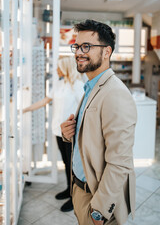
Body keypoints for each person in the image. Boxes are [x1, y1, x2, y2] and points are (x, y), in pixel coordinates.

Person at [60, 20, 137, 225]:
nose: (78, 52)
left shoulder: (116, 94)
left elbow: (120, 162)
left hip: (97, 200)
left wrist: (100, 211)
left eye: (87, 46)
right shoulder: (91, 87)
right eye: (77, 46)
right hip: (80, 190)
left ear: (106, 52)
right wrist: (71, 134)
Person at [23, 56, 84, 212]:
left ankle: (74, 197)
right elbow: (45, 101)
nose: (56, 69)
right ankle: (68, 189)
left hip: (71, 132)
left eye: (58, 67)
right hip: (58, 131)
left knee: (73, 165)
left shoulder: (78, 85)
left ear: (66, 68)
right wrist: (25, 109)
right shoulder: (59, 84)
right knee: (65, 162)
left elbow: (84, 110)